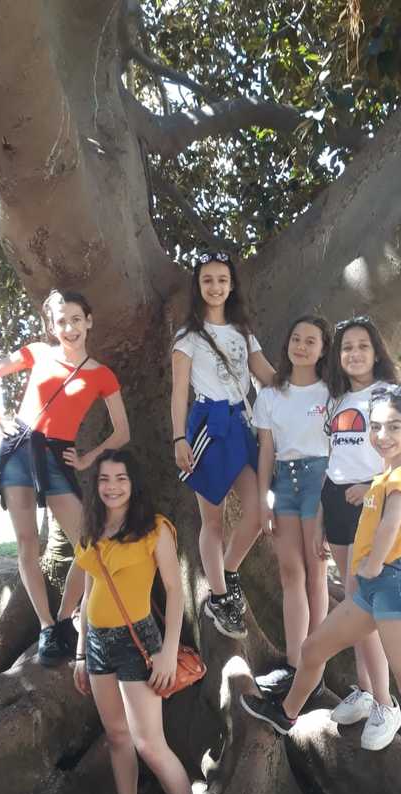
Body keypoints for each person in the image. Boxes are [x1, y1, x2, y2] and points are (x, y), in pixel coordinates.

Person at [242, 386, 401, 794]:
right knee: (313, 649)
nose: (382, 435)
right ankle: (286, 713)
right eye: (376, 427)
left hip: (393, 589)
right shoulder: (387, 475)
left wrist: (371, 563)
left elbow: (391, 522)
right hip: (374, 593)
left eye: (394, 427)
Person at [73, 449, 216, 794]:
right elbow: (89, 592)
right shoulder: (92, 529)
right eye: (104, 479)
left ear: (133, 483)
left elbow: (174, 591)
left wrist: (169, 651)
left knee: (149, 743)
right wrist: (80, 652)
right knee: (117, 737)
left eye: (120, 478)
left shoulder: (155, 528)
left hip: (138, 642)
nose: (112, 487)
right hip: (97, 643)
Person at [0, 290, 130, 666]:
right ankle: (46, 626)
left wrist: (87, 458)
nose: (69, 328)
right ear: (51, 326)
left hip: (57, 456)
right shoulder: (38, 353)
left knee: (90, 542)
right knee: (27, 542)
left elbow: (122, 432)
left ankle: (64, 618)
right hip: (19, 449)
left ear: (88, 321)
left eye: (76, 319)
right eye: (61, 321)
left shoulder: (101, 374)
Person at [170, 251, 275, 639]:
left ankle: (228, 573)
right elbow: (178, 391)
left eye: (222, 280)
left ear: (231, 286)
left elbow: (266, 374)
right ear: (198, 286)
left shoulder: (242, 332)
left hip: (242, 424)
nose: (215, 287)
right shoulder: (188, 336)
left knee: (257, 512)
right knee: (212, 520)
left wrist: (307, 387)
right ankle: (218, 596)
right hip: (208, 426)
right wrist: (179, 437)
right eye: (208, 280)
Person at [314, 316, 401, 749]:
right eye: (347, 347)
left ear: (376, 351)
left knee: (362, 603)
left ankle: (387, 704)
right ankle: (366, 691)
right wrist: (320, 515)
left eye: (362, 346)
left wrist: (371, 486)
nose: (354, 353)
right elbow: (331, 457)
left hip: (372, 502)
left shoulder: (390, 395)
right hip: (335, 499)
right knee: (354, 602)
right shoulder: (336, 399)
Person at [252, 315, 331, 705]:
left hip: (320, 482)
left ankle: (316, 667)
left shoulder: (331, 394)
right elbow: (266, 451)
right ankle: (295, 663)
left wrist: (329, 509)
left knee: (316, 573)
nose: (301, 346)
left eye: (310, 341)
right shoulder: (270, 396)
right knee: (290, 573)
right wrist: (263, 500)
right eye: (296, 338)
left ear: (323, 349)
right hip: (284, 482)